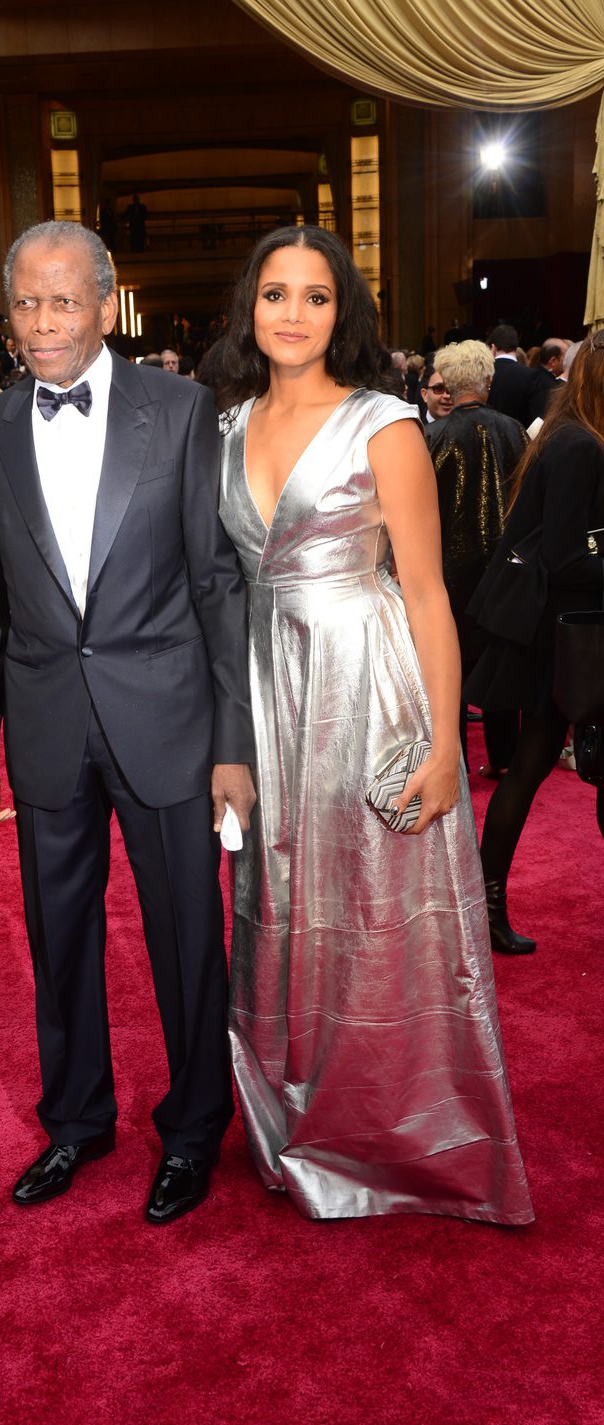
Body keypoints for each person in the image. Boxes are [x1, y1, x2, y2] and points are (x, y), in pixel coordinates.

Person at [206, 224, 533, 1224]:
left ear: (342, 312)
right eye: (275, 295)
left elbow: (428, 594)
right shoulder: (223, 427)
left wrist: (446, 745)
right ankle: (291, 1111)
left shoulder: (385, 423)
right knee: (279, 899)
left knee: (374, 907)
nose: (293, 314)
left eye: (314, 296)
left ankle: (395, 1126)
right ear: (249, 309)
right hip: (264, 692)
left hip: (361, 677)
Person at [0, 220, 256, 1224]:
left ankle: (194, 1128)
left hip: (166, 720)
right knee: (60, 938)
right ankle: (77, 1122)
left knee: (186, 937)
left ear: (107, 304)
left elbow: (218, 587)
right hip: (45, 726)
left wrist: (231, 744)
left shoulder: (179, 411)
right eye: (27, 304)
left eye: (64, 301)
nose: (43, 323)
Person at [465, 334, 604, 955]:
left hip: (569, 634)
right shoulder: (579, 445)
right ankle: (484, 906)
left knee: (531, 766)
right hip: (569, 639)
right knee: (528, 767)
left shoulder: (572, 436)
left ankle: (484, 907)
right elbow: (566, 555)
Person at [427, 340, 527, 772]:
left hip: (448, 572)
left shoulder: (432, 437)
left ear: (447, 382)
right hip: (506, 570)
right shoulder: (514, 430)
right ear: (488, 379)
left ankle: (455, 759)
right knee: (502, 663)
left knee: (449, 667)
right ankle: (504, 758)